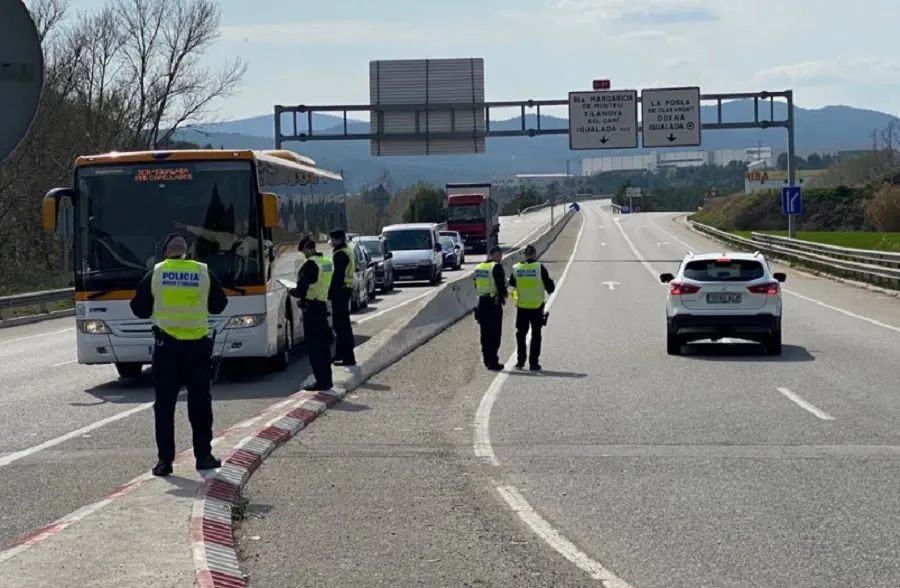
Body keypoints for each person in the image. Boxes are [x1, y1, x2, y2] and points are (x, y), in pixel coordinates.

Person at [129, 234, 228, 477]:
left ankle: (164, 462)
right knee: (200, 404)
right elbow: (219, 305)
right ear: (187, 253)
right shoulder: (203, 271)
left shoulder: (157, 272)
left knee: (164, 407)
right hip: (197, 349)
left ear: (165, 253)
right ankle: (203, 456)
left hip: (167, 348)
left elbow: (139, 309)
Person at [289, 236, 334, 391]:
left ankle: (320, 382)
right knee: (324, 347)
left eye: (304, 252)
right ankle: (327, 380)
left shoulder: (310, 265)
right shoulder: (327, 262)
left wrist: (292, 291)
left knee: (315, 348)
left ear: (309, 248)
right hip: (323, 306)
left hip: (312, 309)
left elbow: (301, 289)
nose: (304, 255)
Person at [509, 244, 556, 371]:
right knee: (536, 335)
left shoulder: (517, 268)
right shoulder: (539, 268)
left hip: (522, 306)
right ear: (534, 254)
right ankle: (534, 363)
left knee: (521, 335)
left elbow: (512, 283)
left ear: (525, 255)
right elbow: (550, 288)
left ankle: (520, 361)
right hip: (536, 306)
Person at [474, 246, 507, 371]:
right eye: (499, 255)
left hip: (481, 302)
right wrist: (503, 296)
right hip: (493, 303)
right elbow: (500, 285)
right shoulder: (496, 267)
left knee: (485, 334)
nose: (500, 258)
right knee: (494, 334)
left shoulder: (479, 267)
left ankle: (486, 359)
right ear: (493, 255)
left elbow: (475, 283)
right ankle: (493, 362)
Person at [328, 228, 356, 366]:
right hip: (346, 290)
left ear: (336, 239)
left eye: (331, 239)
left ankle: (347, 357)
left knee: (341, 326)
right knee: (343, 325)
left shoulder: (340, 254)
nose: (330, 242)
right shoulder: (347, 251)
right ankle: (342, 355)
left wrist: (330, 293)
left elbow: (337, 276)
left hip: (340, 291)